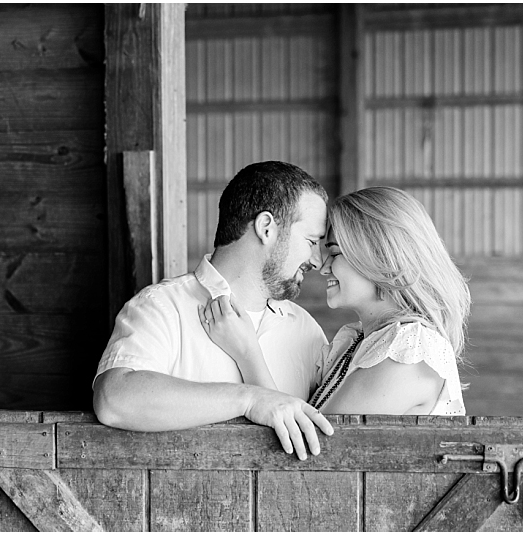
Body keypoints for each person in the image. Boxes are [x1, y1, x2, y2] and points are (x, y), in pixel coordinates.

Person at [93, 161, 335, 460]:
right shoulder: (163, 307)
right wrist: (249, 399)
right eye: (311, 241)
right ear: (266, 228)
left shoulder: (306, 330)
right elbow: (113, 400)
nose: (317, 259)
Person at [200, 186, 471, 416]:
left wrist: (247, 353)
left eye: (335, 252)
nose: (323, 266)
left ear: (379, 257)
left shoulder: (411, 351)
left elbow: (316, 451)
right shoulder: (358, 340)